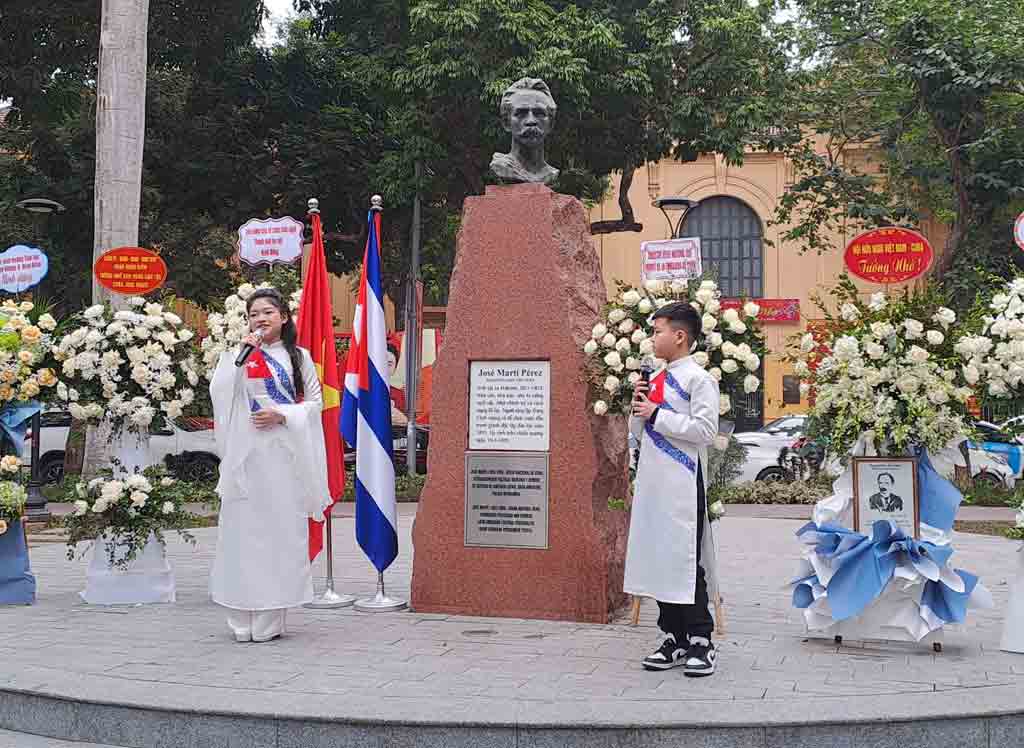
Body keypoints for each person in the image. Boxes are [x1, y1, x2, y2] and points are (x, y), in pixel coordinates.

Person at [209, 288, 331, 642]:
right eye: (253, 314)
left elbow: (315, 403)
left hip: (281, 454)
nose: (260, 319)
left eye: (267, 312)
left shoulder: (299, 357)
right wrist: (241, 357)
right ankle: (240, 613)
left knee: (277, 533)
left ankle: (270, 615)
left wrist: (282, 414)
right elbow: (220, 394)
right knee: (241, 534)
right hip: (244, 455)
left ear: (284, 317)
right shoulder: (237, 355)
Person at [625, 302, 720, 676]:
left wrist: (657, 414)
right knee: (658, 555)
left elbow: (705, 431)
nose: (652, 338)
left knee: (683, 557)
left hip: (683, 479)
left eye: (657, 331)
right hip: (653, 479)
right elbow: (639, 432)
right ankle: (674, 636)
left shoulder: (699, 379)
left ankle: (700, 639)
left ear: (680, 336)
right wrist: (638, 411)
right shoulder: (656, 377)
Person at [489, 78, 560, 185]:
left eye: (539, 113)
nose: (531, 121)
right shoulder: (501, 167)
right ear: (506, 123)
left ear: (551, 124)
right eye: (521, 113)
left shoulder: (551, 174)